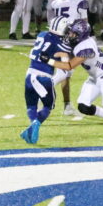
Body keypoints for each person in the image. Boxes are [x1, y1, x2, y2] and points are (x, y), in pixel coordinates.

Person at [48, 20, 103, 146]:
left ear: (81, 35)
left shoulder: (87, 47)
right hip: (94, 78)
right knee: (83, 106)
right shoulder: (79, 43)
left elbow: (69, 66)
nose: (70, 35)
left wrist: (49, 61)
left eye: (73, 33)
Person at [19, 17, 72, 145]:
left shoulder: (41, 35)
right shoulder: (61, 45)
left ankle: (32, 126)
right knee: (47, 106)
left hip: (29, 75)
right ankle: (36, 124)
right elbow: (65, 68)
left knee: (31, 105)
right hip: (44, 77)